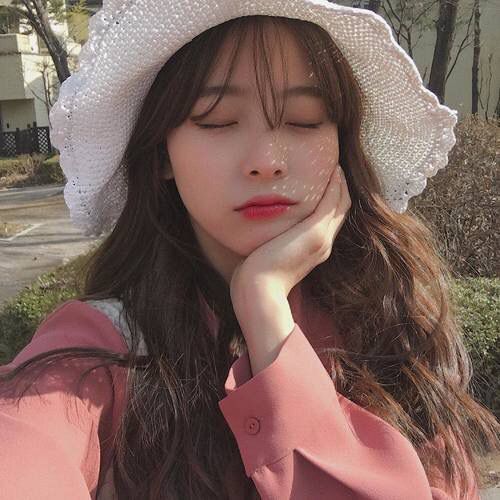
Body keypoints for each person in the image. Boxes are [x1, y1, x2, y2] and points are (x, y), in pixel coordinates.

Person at [0, 2, 498, 499]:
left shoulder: (391, 321)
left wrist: (265, 310)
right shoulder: (99, 350)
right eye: (217, 121)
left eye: (303, 120)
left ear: (342, 144)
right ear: (161, 154)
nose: (266, 161)